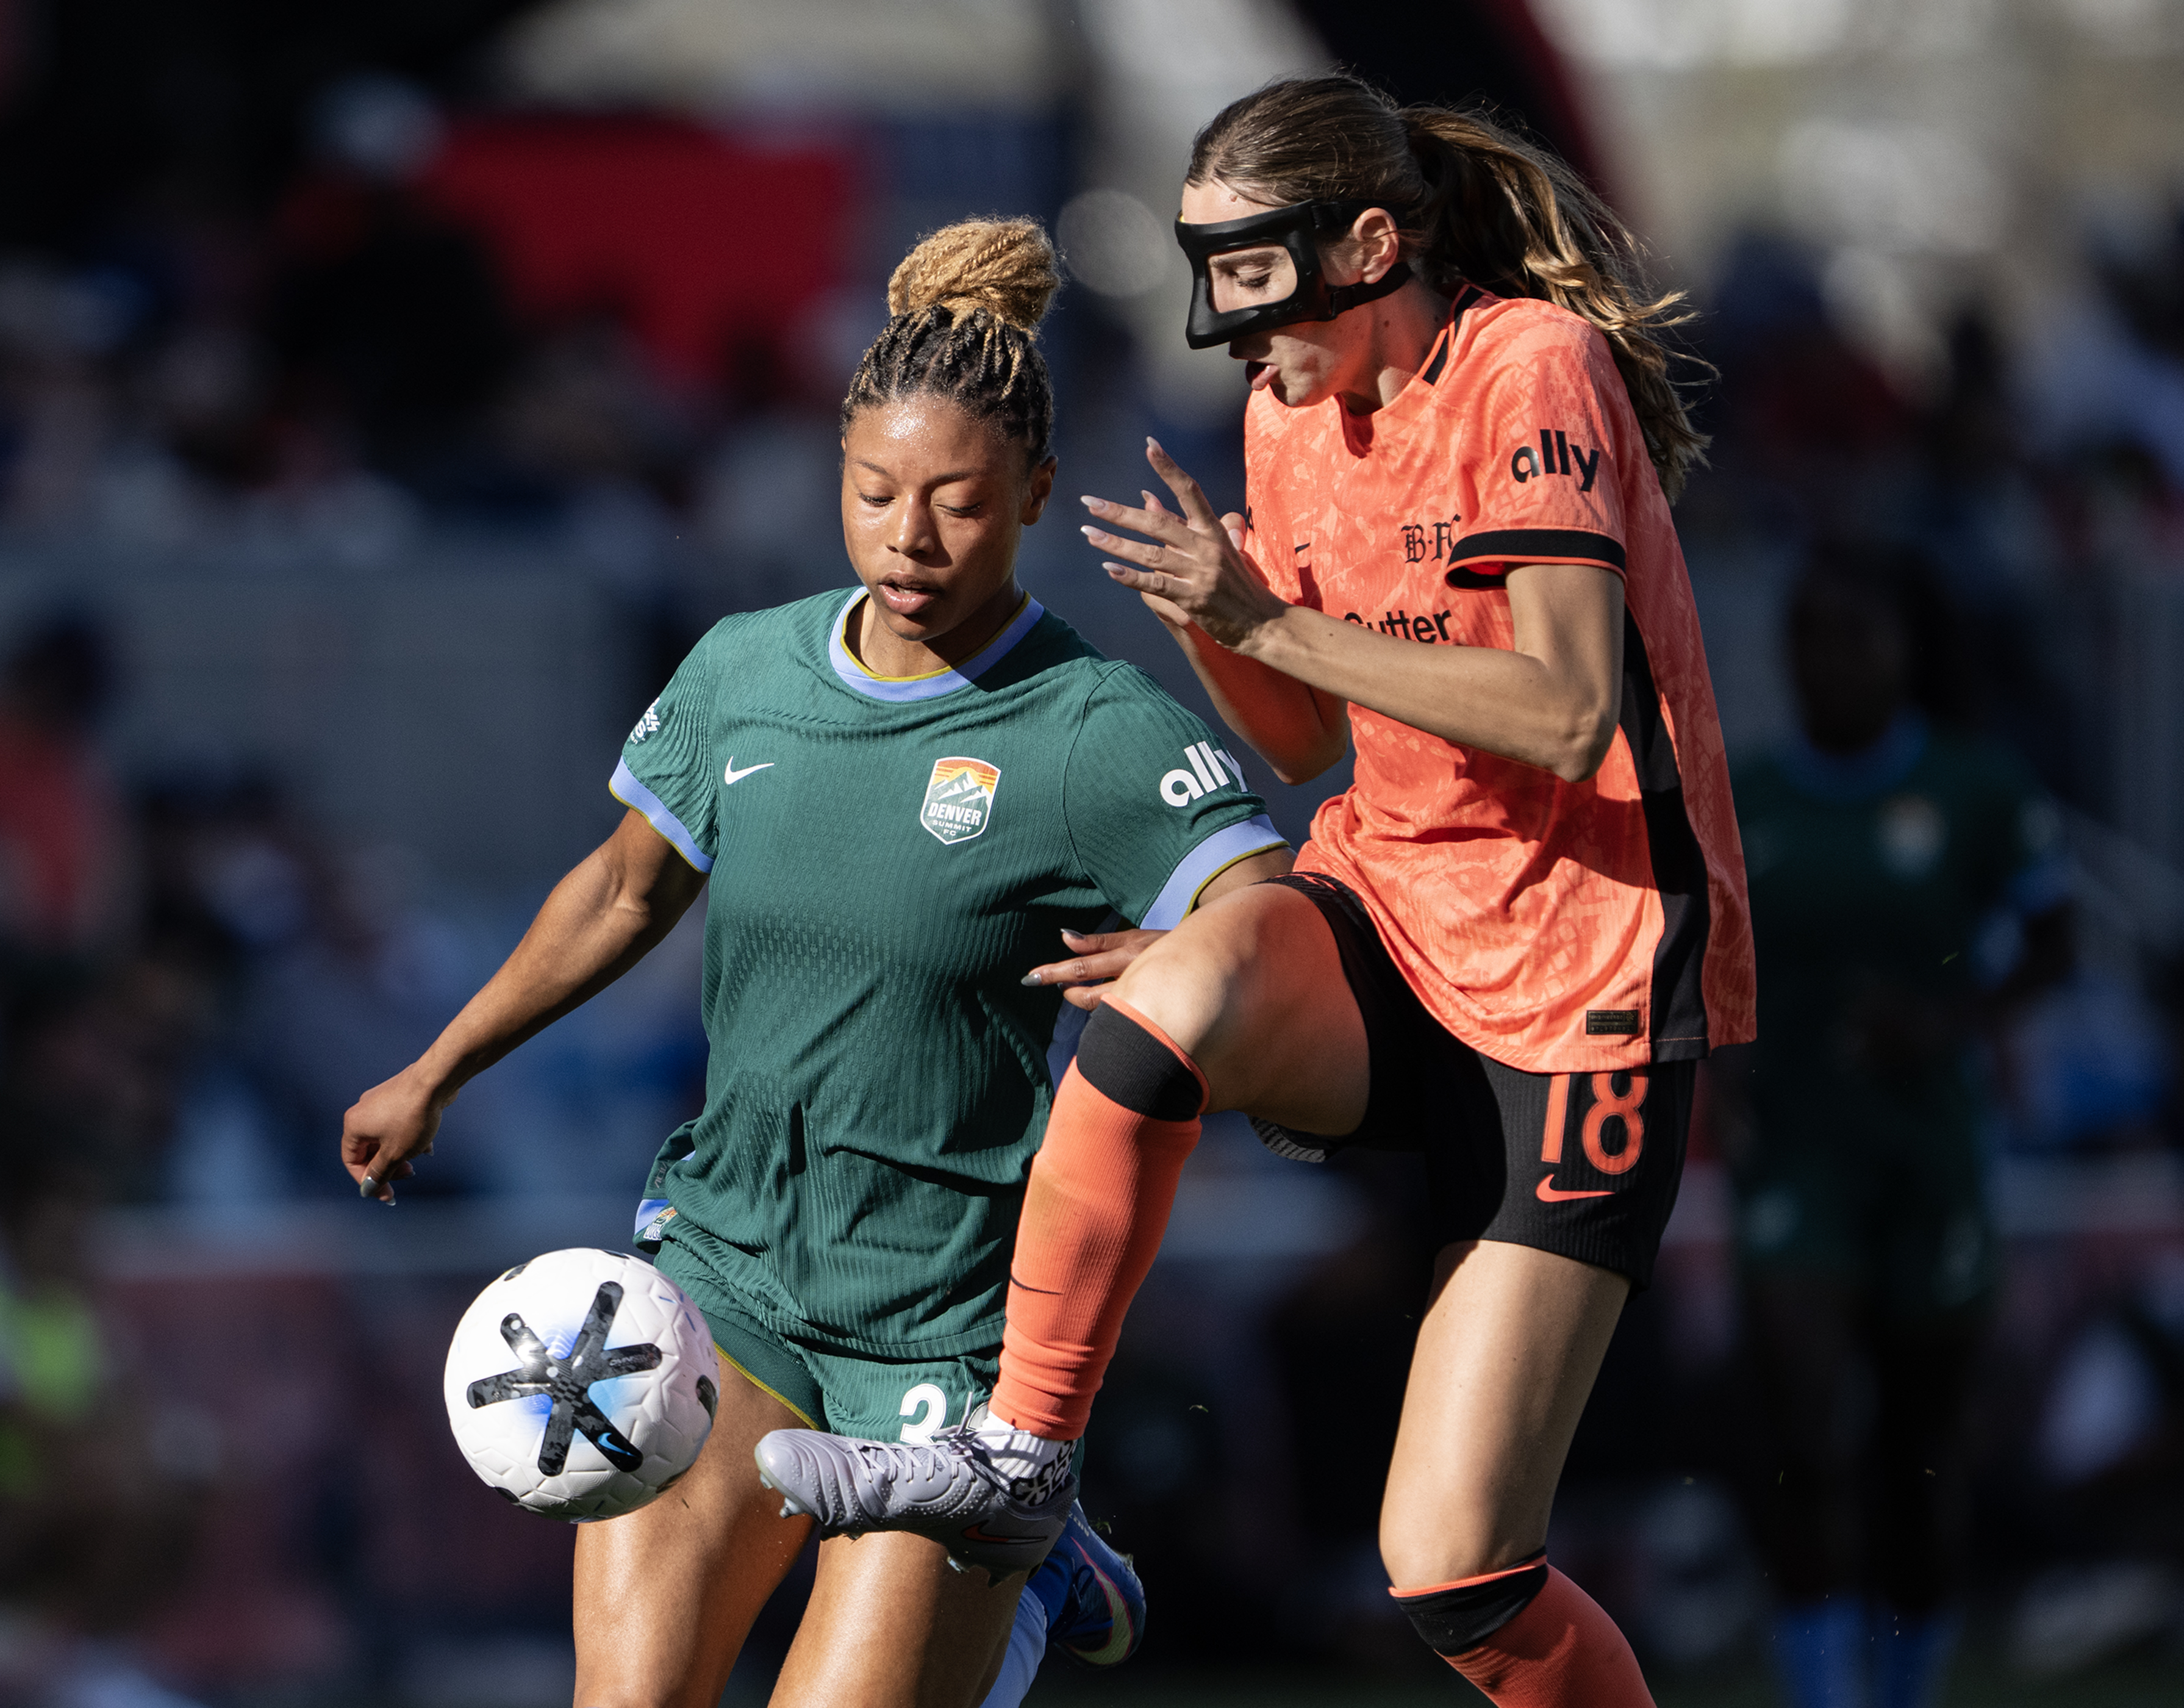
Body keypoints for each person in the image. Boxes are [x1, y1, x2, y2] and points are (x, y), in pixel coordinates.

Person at [756, 77, 1755, 1708]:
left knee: (1456, 1577)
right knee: (1166, 997)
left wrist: (1268, 619)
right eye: (1208, 272)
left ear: (1371, 243)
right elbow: (1303, 739)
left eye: (1256, 272)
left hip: (1585, 980)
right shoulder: (1288, 415)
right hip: (1394, 918)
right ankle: (1026, 1464)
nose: (1231, 328)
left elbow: (1568, 712)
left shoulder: (1529, 369)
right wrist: (1211, 613)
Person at [338, 218, 1293, 1708]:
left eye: (961, 504)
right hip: (731, 1277)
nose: (911, 537)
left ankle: (1028, 1544)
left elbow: (1275, 913)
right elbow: (622, 888)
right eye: (875, 494)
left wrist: (1195, 952)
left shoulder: (1094, 728)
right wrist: (435, 1066)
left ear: (1036, 493)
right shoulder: (742, 672)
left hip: (954, 1327)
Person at [1722, 558, 2066, 1708]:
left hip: (1928, 1148)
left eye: (1855, 638)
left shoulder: (1974, 789)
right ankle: (1822, 1687)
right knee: (1806, 1417)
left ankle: (1905, 1681)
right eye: (1810, 638)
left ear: (1906, 651)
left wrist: (1953, 1018)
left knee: (1920, 1453)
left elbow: (2052, 943)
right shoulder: (1751, 796)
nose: (1830, 662)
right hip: (1799, 1147)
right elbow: (1696, 956)